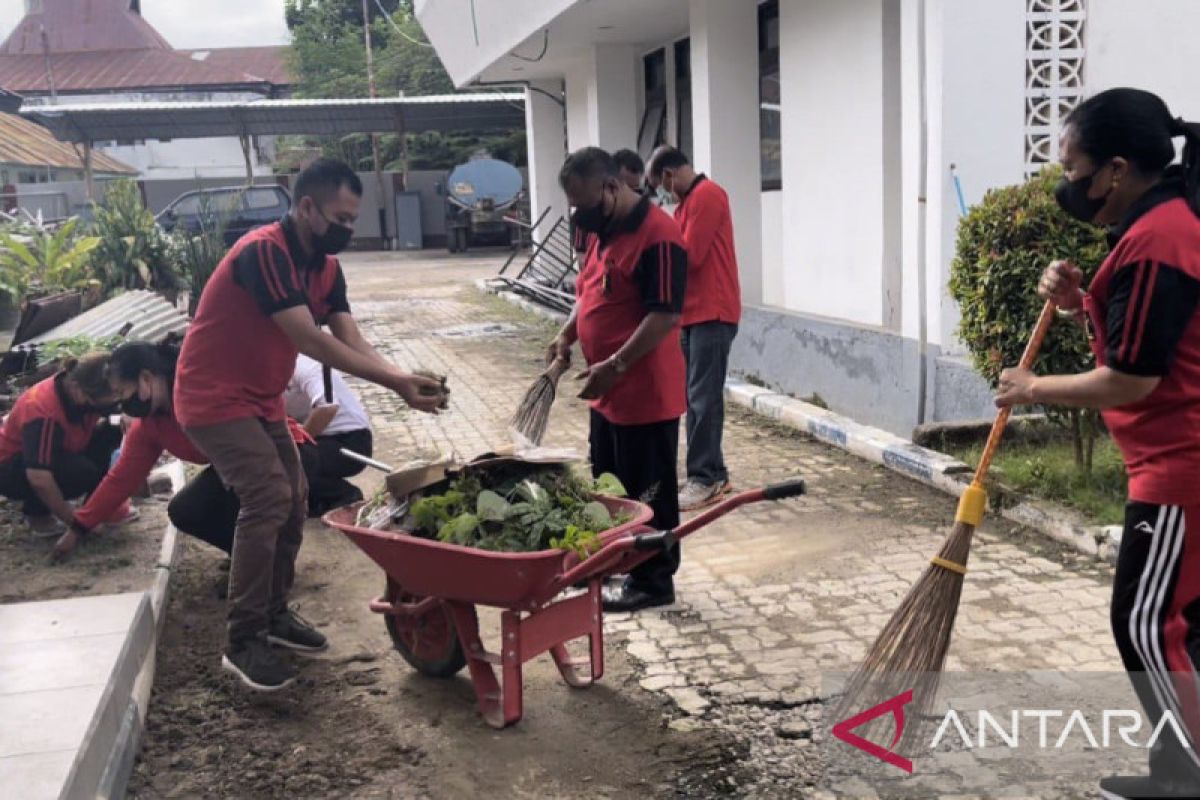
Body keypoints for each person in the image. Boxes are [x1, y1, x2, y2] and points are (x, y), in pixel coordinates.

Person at [994, 88, 1200, 800]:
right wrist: (1079, 295)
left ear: (1114, 169)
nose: (1069, 186)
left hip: (1181, 467)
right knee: (1182, 626)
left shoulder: (1160, 239)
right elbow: (1147, 337)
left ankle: (1184, 778)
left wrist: (1031, 389)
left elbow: (1133, 379)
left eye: (1074, 170)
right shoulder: (1154, 228)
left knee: (1146, 623)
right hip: (1174, 461)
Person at [175, 157, 446, 692]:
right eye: (339, 218)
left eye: (353, 219)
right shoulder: (263, 254)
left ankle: (273, 614)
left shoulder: (325, 266)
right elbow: (310, 339)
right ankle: (244, 638)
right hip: (212, 397)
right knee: (268, 497)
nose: (347, 229)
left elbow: (349, 335)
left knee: (296, 493)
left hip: (259, 398)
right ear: (305, 208)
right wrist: (395, 385)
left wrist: (401, 374)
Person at [548, 147, 688, 613]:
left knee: (649, 495)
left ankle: (653, 581)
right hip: (606, 396)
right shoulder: (599, 231)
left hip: (645, 396)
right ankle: (614, 565)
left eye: (585, 205)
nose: (580, 217)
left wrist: (615, 366)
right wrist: (566, 334)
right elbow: (589, 293)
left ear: (612, 188)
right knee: (610, 487)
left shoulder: (659, 236)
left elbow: (665, 316)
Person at [55, 341, 320, 560]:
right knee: (186, 509)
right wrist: (78, 528)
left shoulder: (199, 391)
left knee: (242, 502)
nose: (123, 404)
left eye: (123, 392)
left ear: (146, 378)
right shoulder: (151, 424)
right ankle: (250, 561)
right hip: (233, 470)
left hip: (281, 455)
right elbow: (122, 478)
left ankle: (266, 567)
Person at [647, 146, 742, 511]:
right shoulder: (688, 203)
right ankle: (713, 472)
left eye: (662, 186)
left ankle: (703, 478)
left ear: (671, 174)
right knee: (696, 397)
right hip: (694, 314)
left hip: (712, 313)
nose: (664, 194)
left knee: (703, 398)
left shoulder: (707, 196)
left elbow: (689, 255)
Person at [0, 353, 126, 537]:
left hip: (61, 449)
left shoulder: (77, 388)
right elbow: (38, 477)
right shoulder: (43, 411)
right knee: (82, 473)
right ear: (77, 389)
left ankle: (96, 507)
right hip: (11, 467)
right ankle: (38, 513)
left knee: (113, 432)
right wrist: (77, 526)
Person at [285, 353, 373, 516]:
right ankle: (314, 499)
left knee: (290, 459)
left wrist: (299, 443)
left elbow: (328, 407)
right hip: (322, 440)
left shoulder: (303, 365)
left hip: (351, 441)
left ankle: (344, 495)